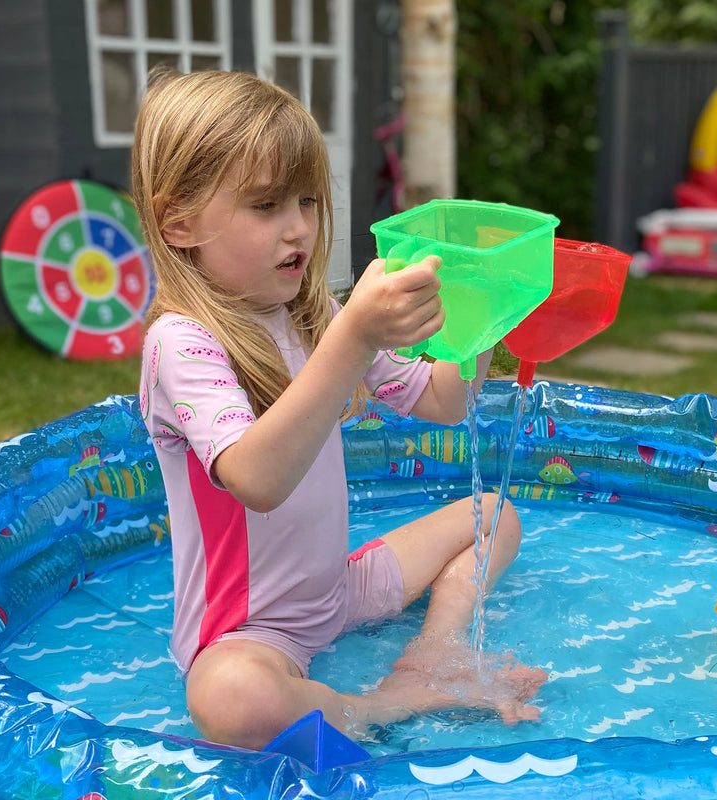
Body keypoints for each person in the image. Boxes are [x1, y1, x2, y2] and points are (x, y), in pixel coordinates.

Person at [132, 67, 546, 751]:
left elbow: (443, 401)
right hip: (251, 630)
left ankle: (431, 655)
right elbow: (257, 479)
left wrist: (482, 314)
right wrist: (353, 336)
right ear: (179, 222)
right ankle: (377, 706)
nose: (298, 228)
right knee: (231, 700)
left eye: (307, 200)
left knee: (496, 517)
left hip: (338, 592)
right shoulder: (182, 342)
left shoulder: (314, 315)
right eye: (265, 206)